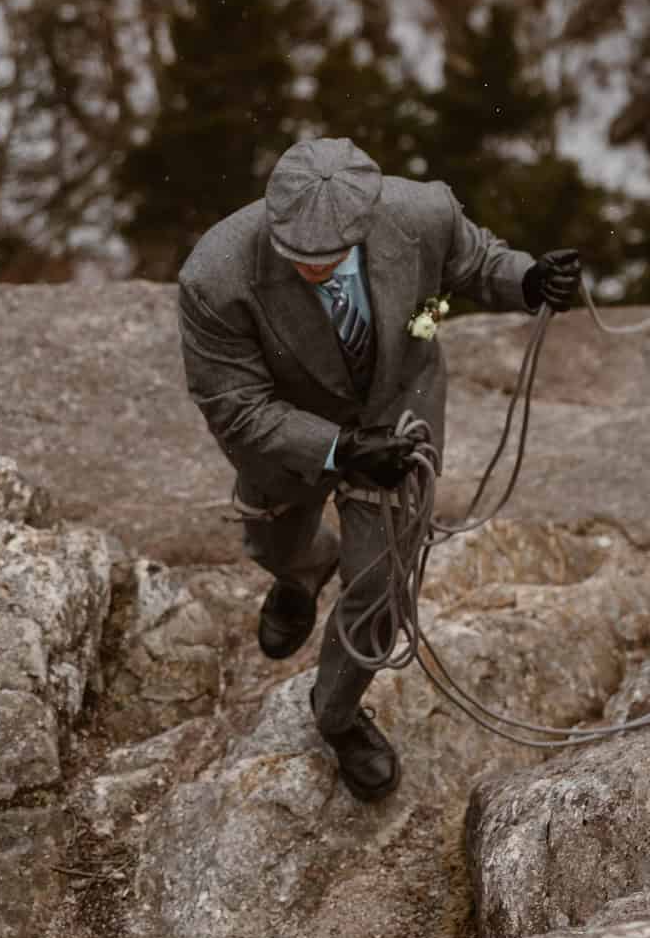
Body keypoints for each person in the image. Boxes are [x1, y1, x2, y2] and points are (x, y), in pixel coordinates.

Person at [177, 137, 582, 802]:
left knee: (379, 591)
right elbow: (236, 407)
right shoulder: (213, 278)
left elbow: (475, 261)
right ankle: (302, 570)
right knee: (270, 541)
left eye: (328, 257)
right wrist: (339, 446)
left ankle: (335, 714)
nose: (313, 267)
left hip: (398, 414)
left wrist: (528, 278)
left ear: (364, 222)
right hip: (288, 437)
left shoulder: (424, 212)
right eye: (297, 255)